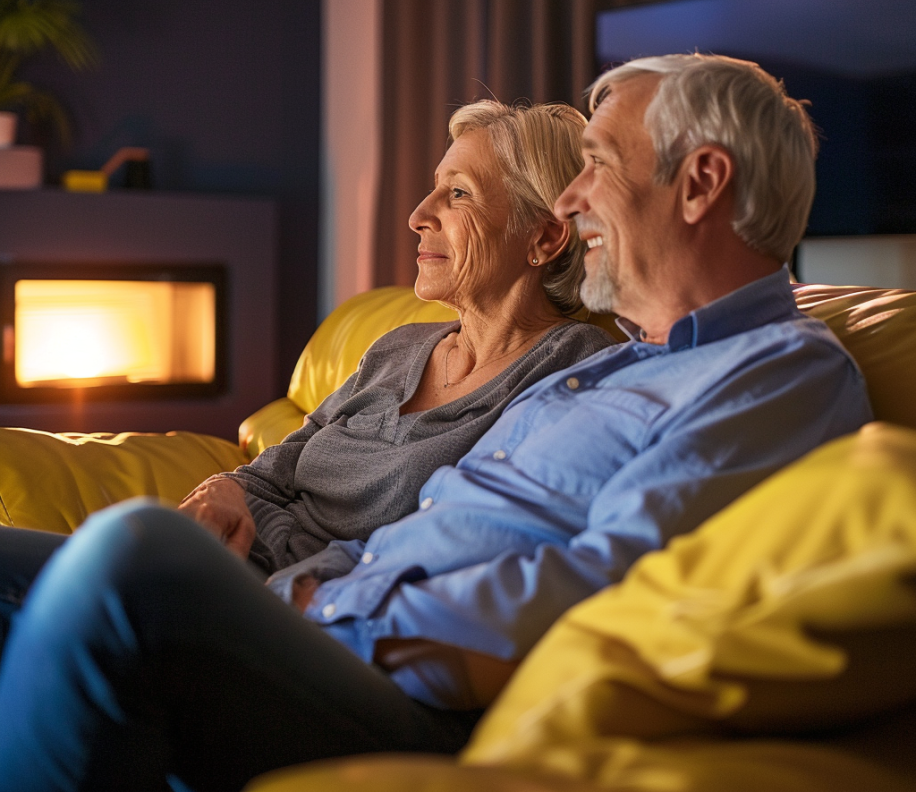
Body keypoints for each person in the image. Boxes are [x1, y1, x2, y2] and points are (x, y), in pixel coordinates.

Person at [0, 54, 874, 792]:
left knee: (132, 556)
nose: (571, 202)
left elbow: (608, 584)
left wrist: (324, 604)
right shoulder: (623, 362)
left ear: (701, 183)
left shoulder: (776, 372)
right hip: (331, 615)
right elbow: (427, 520)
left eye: (598, 163)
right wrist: (296, 583)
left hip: (417, 695)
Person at [175, 100, 612, 573]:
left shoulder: (574, 371)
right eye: (435, 188)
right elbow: (266, 476)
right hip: (229, 559)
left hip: (299, 603)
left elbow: (473, 548)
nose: (419, 215)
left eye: (460, 193)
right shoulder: (396, 349)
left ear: (545, 238)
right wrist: (220, 490)